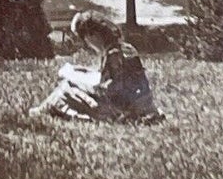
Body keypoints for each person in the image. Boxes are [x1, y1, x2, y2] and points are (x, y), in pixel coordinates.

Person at [29, 10, 162, 123]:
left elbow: (112, 91)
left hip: (124, 109)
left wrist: (81, 82)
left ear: (94, 35)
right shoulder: (123, 48)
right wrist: (84, 73)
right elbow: (119, 79)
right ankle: (44, 109)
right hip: (143, 104)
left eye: (86, 39)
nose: (88, 44)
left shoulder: (113, 54)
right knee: (73, 82)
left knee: (66, 88)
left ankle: (41, 111)